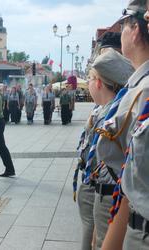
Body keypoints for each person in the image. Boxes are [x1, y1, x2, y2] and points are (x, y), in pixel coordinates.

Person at [96, 1, 149, 249]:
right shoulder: (136, 88)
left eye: (124, 27)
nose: (121, 35)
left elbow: (134, 175)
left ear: (135, 31)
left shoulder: (144, 92)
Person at [77, 49, 134, 250]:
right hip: (99, 187)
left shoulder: (111, 115)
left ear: (99, 83)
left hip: (105, 189)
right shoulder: (103, 110)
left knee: (99, 239)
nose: (89, 83)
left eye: (90, 78)